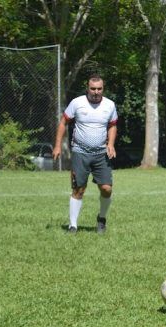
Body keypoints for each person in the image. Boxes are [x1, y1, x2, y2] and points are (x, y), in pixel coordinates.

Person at [52, 74, 118, 234]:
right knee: (78, 189)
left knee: (106, 189)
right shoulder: (77, 103)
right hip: (80, 152)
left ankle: (101, 219)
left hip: (101, 153)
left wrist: (110, 144)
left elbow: (112, 125)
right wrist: (57, 146)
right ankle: (73, 225)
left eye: (99, 89)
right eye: (93, 88)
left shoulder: (110, 105)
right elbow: (63, 122)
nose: (96, 92)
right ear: (87, 88)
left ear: (103, 88)